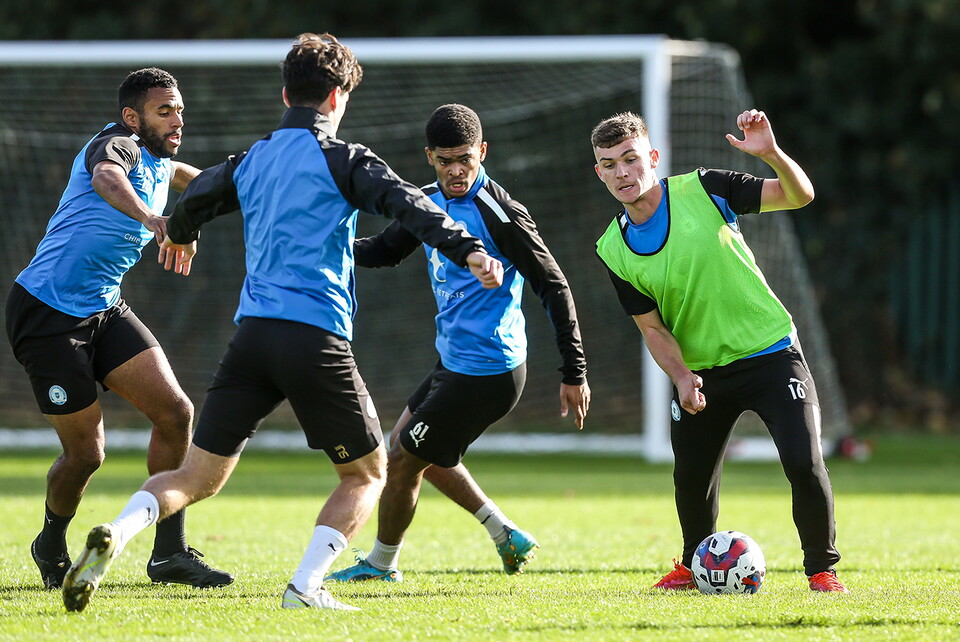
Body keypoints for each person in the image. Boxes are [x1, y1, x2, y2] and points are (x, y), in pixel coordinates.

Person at [60, 33, 503, 613]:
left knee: (196, 475)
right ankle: (306, 586)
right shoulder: (344, 158)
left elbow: (196, 201)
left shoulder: (253, 157)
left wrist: (183, 233)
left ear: (285, 92)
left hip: (251, 339)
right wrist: (466, 246)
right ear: (337, 96)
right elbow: (409, 205)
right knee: (368, 474)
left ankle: (116, 533)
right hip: (315, 337)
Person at [326, 104, 590, 584]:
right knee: (414, 451)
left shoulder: (501, 213)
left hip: (489, 371)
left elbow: (553, 284)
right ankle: (505, 532)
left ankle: (382, 565)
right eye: (445, 160)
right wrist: (326, 247)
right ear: (429, 157)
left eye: (465, 158)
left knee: (403, 461)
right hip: (453, 363)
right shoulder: (424, 202)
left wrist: (574, 370)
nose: (455, 170)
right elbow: (384, 251)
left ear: (482, 152)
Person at [591, 109, 848, 593]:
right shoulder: (612, 248)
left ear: (652, 157)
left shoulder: (705, 187)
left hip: (770, 353)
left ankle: (821, 571)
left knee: (803, 460)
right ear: (599, 171)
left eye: (630, 158)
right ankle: (693, 565)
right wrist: (682, 376)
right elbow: (653, 329)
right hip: (703, 372)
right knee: (691, 475)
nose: (622, 172)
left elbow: (799, 195)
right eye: (609, 164)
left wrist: (770, 153)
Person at [5, 67, 232, 592]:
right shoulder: (117, 145)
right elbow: (109, 177)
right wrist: (158, 223)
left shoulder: (160, 155)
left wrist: (249, 187)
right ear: (133, 117)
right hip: (46, 313)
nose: (177, 119)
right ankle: (50, 539)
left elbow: (189, 177)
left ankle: (168, 554)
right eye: (164, 111)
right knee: (87, 455)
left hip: (104, 309)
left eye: (179, 109)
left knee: (176, 413)